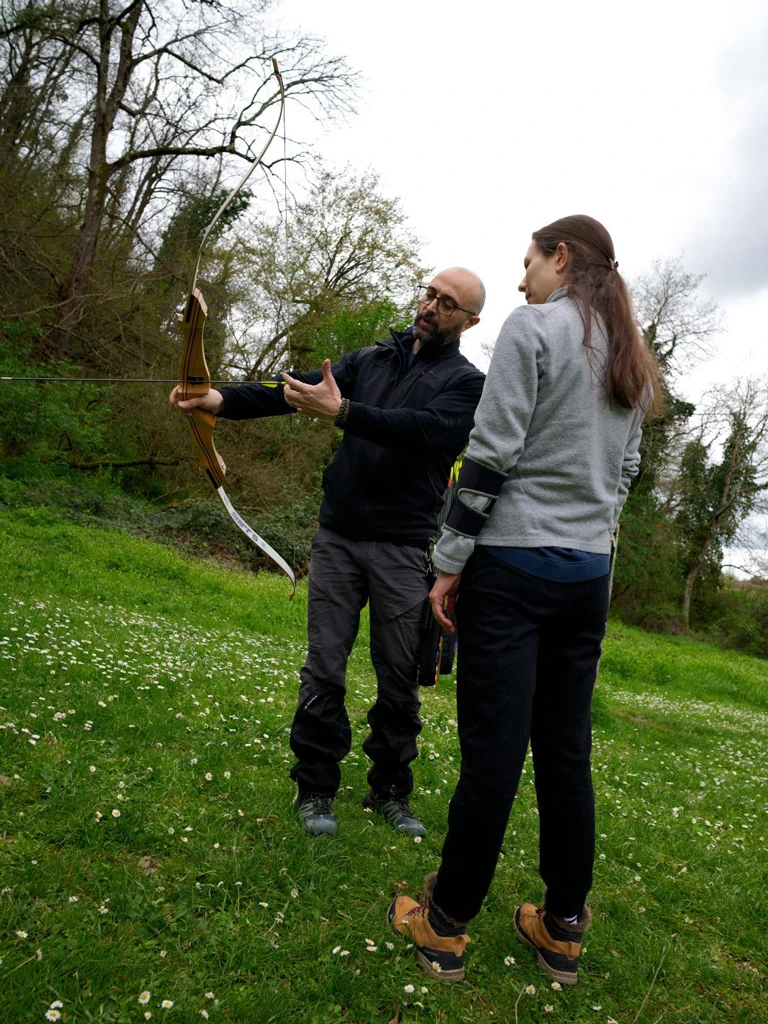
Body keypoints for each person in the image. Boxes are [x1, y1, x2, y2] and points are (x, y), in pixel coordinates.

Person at [388, 216, 660, 984]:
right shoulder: (631, 353)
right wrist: (589, 534)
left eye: (529, 262)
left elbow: (492, 451)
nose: (521, 279)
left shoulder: (531, 328)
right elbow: (628, 470)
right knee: (566, 753)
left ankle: (445, 925)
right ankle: (563, 927)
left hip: (511, 568)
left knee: (495, 751)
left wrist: (448, 562)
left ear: (561, 257)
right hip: (586, 579)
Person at [171, 268, 486, 837]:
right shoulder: (371, 360)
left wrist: (343, 413)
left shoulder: (468, 383)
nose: (432, 305)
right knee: (324, 669)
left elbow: (423, 431)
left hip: (402, 547)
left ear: (470, 321)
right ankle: (314, 788)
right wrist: (216, 398)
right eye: (430, 293)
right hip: (338, 538)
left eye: (448, 303)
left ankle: (389, 793)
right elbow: (291, 390)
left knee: (397, 678)